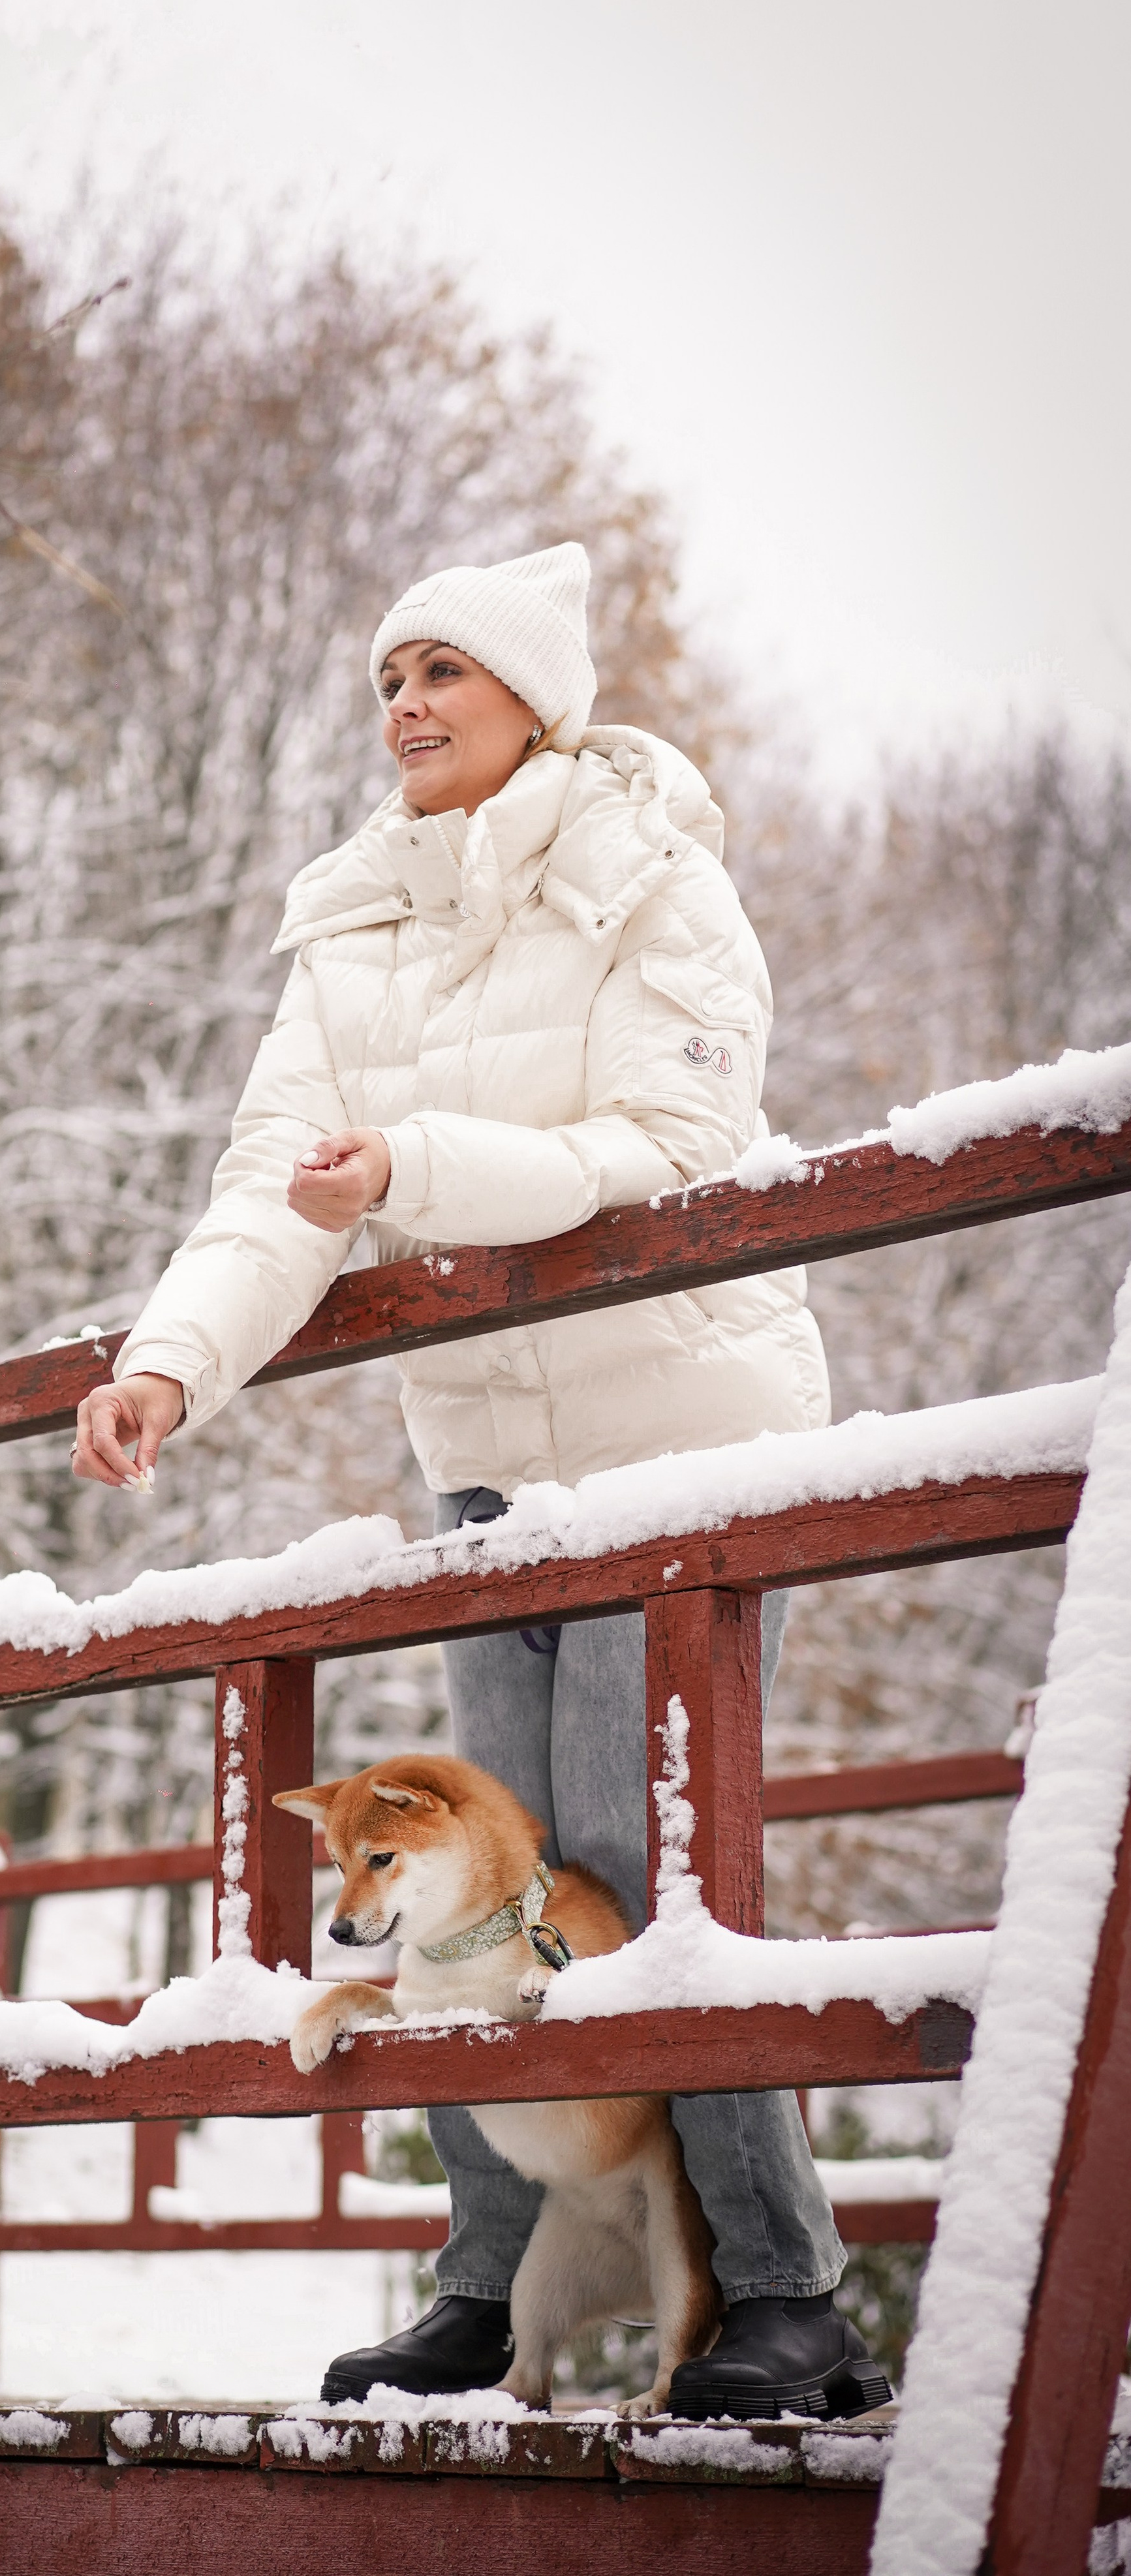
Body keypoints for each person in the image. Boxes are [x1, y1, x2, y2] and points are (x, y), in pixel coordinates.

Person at [73, 542, 879, 2419]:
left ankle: (789, 2298)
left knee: (638, 1872)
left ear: (539, 699)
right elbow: (280, 1181)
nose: (408, 707)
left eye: (445, 672)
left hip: (677, 1445)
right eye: (390, 680)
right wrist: (167, 1364)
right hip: (491, 1471)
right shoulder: (356, 923)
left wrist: (414, 1168)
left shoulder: (655, 881)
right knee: (463, 1889)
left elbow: (674, 1141)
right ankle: (484, 2286)